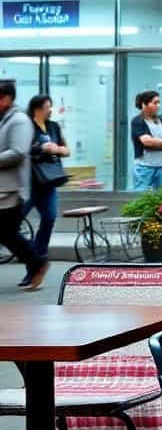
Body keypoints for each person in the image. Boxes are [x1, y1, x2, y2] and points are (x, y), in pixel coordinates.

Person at [0, 81, 46, 291]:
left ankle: (37, 263)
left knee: (7, 233)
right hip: (3, 188)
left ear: (6, 99)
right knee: (7, 232)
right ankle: (36, 263)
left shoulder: (18, 121)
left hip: (11, 189)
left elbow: (18, 153)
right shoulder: (4, 120)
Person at [21, 94, 68, 286]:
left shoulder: (54, 126)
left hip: (48, 181)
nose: (51, 110)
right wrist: (41, 149)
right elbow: (21, 150)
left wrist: (55, 149)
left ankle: (36, 264)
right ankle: (34, 262)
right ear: (37, 108)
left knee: (49, 219)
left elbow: (66, 150)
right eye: (48, 106)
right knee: (12, 224)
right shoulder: (25, 126)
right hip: (28, 182)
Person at [130, 90, 162, 190]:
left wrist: (155, 142)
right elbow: (146, 141)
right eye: (155, 103)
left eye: (159, 102)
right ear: (144, 104)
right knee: (141, 197)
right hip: (144, 166)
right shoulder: (138, 121)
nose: (158, 105)